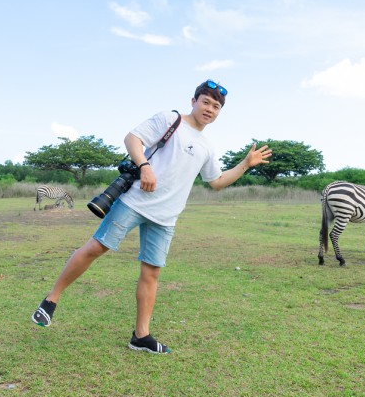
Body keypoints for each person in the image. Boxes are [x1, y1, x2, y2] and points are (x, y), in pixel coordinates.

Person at [31, 80, 272, 354]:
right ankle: (51, 300)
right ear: (193, 101)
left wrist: (245, 164)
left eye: (216, 107)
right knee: (97, 246)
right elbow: (132, 139)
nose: (209, 109)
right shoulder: (171, 120)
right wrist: (144, 165)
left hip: (166, 217)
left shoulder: (206, 146)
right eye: (205, 102)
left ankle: (140, 336)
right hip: (135, 201)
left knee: (152, 272)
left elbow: (216, 181)